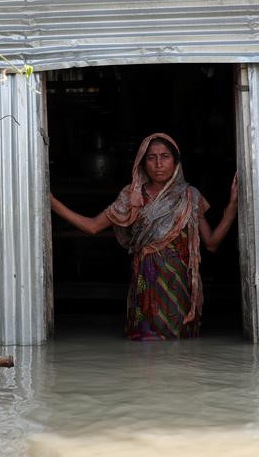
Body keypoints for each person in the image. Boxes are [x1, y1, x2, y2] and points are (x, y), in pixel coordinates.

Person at [49, 133, 238, 340]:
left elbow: (211, 244)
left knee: (181, 346)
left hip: (179, 289)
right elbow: (93, 226)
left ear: (176, 162)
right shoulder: (133, 197)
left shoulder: (190, 196)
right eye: (151, 157)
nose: (159, 164)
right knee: (145, 344)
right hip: (146, 285)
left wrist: (231, 209)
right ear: (142, 162)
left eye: (165, 156)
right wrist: (51, 201)